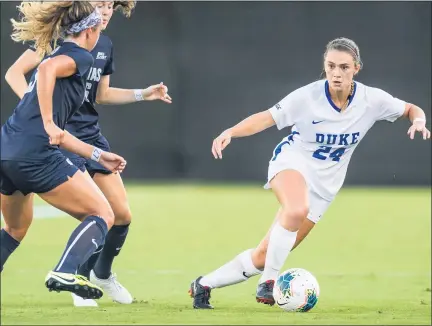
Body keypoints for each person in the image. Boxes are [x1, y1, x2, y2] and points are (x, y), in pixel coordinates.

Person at [188, 37, 431, 309]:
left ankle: (203, 284)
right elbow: (267, 117)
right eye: (331, 66)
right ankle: (268, 283)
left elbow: (410, 109)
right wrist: (231, 131)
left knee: (263, 256)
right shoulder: (307, 97)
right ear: (324, 67)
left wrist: (419, 121)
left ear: (357, 68)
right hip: (292, 163)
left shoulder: (371, 100)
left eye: (344, 67)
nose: (336, 73)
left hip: (324, 187)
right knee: (295, 209)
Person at [4, 1, 172, 307]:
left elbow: (97, 97)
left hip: (49, 142)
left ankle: (99, 275)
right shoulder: (68, 46)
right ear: (86, 19)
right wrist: (45, 117)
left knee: (117, 215)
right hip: (47, 145)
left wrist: (141, 95)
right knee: (100, 213)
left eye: (110, 5)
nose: (106, 10)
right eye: (100, 4)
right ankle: (70, 275)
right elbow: (30, 72)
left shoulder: (100, 46)